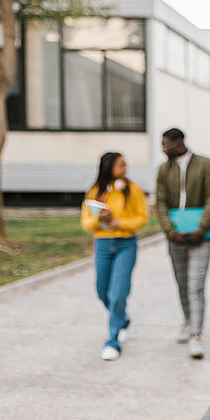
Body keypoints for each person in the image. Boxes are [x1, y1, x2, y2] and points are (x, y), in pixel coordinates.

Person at [155, 128, 210, 359]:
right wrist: (170, 232)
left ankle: (196, 335)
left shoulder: (206, 164)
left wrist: (201, 229)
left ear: (180, 142)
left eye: (168, 145)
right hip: (175, 236)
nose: (164, 150)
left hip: (200, 236)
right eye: (162, 145)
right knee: (182, 284)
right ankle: (187, 320)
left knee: (196, 286)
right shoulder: (164, 170)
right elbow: (160, 203)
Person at [81, 152, 148, 361]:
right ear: (108, 167)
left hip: (126, 244)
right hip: (102, 243)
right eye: (120, 166)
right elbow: (86, 222)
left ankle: (113, 340)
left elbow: (142, 218)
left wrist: (119, 223)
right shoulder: (95, 191)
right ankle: (122, 319)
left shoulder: (133, 189)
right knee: (102, 291)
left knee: (118, 293)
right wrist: (99, 219)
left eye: (126, 165)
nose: (125, 169)